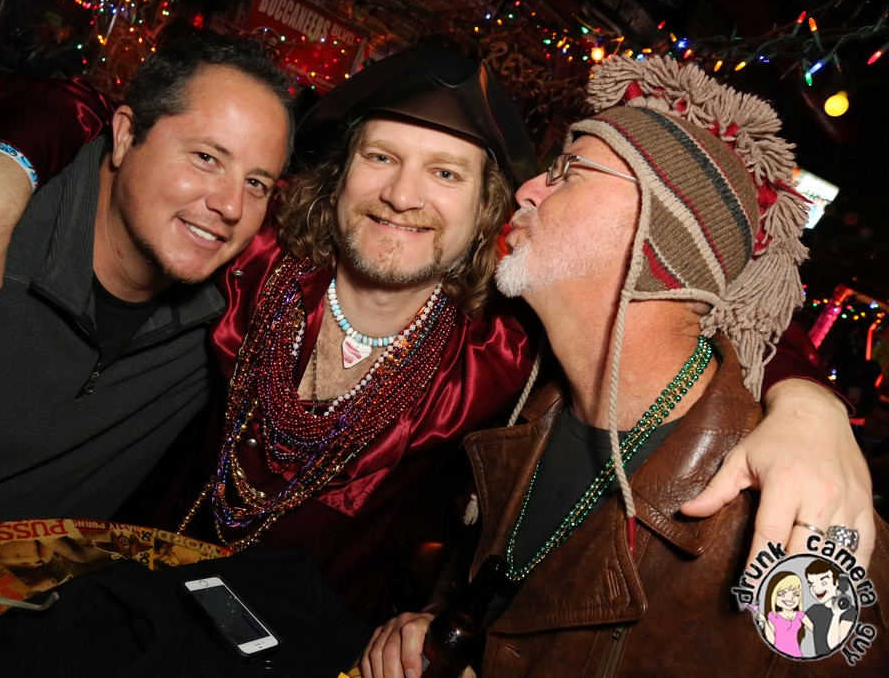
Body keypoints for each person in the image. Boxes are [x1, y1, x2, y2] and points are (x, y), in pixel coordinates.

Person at [0, 43, 875, 624]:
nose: (402, 195)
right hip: (108, 591)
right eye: (380, 158)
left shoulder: (501, 351)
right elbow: (94, 106)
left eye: (445, 173)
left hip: (299, 642)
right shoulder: (251, 261)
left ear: (489, 209)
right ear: (336, 175)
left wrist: (810, 405)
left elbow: (693, 304)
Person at [362, 54, 889, 676]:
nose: (528, 190)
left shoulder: (804, 525)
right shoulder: (527, 413)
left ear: (657, 235)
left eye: (567, 172)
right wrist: (431, 626)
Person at [0, 35, 294, 554]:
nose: (230, 205)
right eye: (206, 157)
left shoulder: (228, 332)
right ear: (125, 135)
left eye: (256, 183)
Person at [804, 560, 857, 655]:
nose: (816, 588)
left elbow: (834, 645)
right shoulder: (814, 610)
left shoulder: (849, 611)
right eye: (811, 584)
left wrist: (836, 615)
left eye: (823, 583)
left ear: (836, 582)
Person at [758, 572, 811, 657]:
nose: (790, 598)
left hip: (796, 655)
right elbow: (771, 640)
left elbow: (816, 630)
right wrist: (764, 621)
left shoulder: (800, 615)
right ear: (773, 595)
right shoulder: (773, 616)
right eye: (782, 594)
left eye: (796, 594)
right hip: (777, 655)